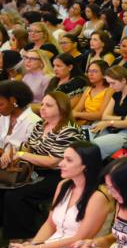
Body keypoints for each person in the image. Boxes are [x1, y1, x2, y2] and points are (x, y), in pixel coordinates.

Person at [0, 91, 83, 239]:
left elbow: (52, 161)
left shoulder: (68, 130)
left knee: (16, 195)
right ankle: (5, 229)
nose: (42, 108)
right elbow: (27, 146)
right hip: (36, 169)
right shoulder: (40, 124)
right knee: (3, 185)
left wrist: (21, 154)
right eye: (42, 104)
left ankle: (24, 237)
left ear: (61, 109)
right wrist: (11, 152)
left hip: (60, 174)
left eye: (48, 105)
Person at [0, 79, 40, 156]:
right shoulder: (3, 118)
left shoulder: (34, 122)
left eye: (1, 104)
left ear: (13, 100)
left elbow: (30, 153)